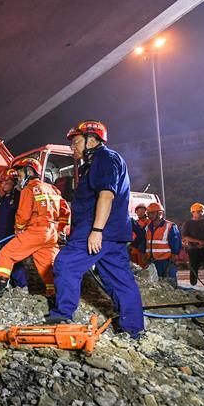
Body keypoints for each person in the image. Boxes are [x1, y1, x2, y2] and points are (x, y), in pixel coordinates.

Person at [46, 121, 144, 338]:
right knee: (118, 279)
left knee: (65, 263)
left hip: (98, 229)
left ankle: (62, 314)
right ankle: (133, 328)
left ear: (92, 139)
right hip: (113, 232)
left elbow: (106, 195)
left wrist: (97, 230)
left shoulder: (104, 158)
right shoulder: (96, 162)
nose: (73, 147)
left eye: (76, 142)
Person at [0, 157, 69, 308]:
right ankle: (54, 296)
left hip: (36, 230)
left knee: (6, 254)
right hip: (51, 233)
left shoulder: (29, 189)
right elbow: (65, 212)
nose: (19, 180)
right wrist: (60, 230)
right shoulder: (53, 189)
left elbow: (23, 215)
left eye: (19, 176)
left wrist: (19, 231)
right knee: (48, 267)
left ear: (29, 172)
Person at [0, 168, 28, 288]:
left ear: (14, 182)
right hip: (2, 235)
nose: (3, 184)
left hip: (12, 234)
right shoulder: (3, 199)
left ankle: (22, 286)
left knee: (15, 261)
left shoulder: (19, 196)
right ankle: (10, 284)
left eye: (6, 182)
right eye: (2, 182)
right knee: (5, 261)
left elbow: (23, 214)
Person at [143, 202, 182, 285]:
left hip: (166, 261)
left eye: (152, 213)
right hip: (152, 261)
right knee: (156, 285)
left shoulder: (170, 226)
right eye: (148, 213)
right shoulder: (147, 227)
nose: (150, 215)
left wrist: (174, 255)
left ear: (160, 213)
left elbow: (176, 242)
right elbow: (145, 242)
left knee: (170, 284)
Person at [181, 202, 204, 288]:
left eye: (202, 211)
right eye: (198, 211)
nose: (200, 213)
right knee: (194, 268)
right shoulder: (188, 224)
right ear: (192, 212)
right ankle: (193, 285)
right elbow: (185, 237)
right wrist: (199, 242)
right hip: (193, 249)